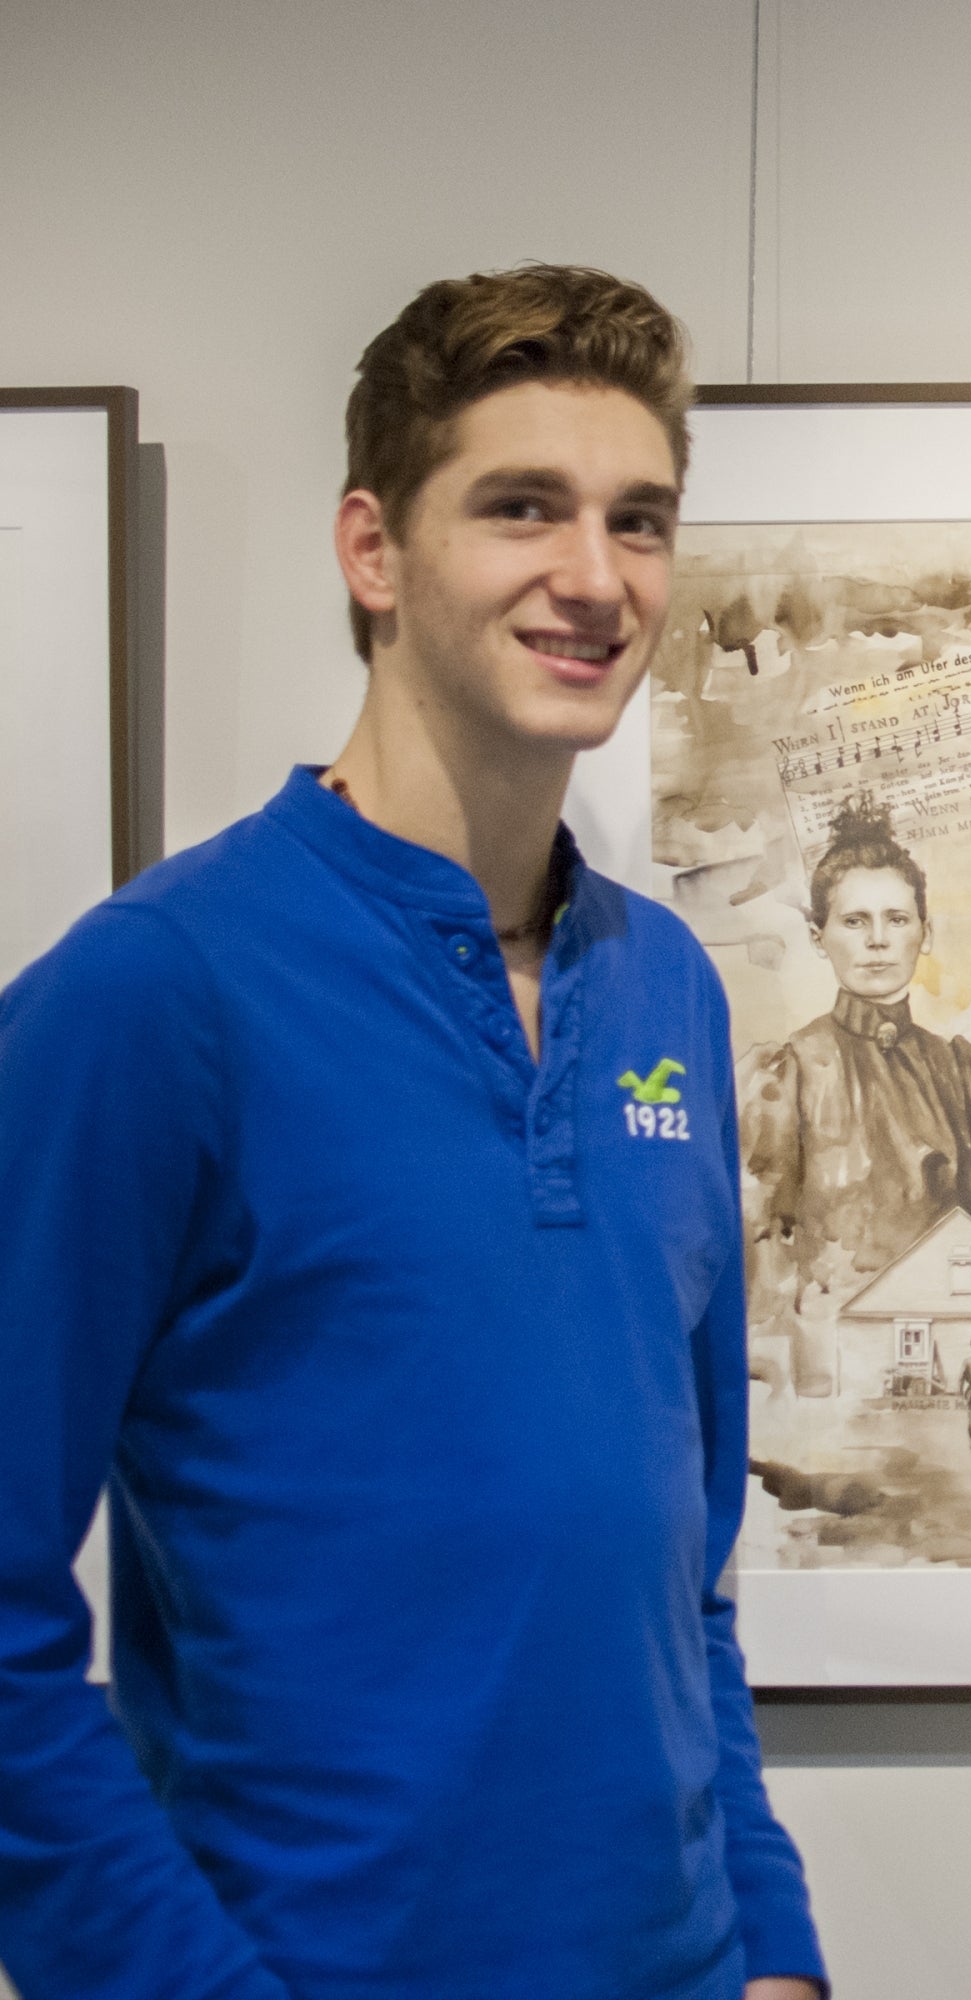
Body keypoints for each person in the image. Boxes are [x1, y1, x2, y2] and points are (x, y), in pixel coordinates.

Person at [0, 267, 825, 1995]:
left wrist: (772, 1942)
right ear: (372, 551)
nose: (594, 578)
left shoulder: (668, 988)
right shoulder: (158, 996)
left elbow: (687, 1571)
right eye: (521, 507)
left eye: (639, 520)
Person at [740, 798, 971, 1395]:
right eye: (854, 922)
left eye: (898, 919)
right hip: (828, 1358)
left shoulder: (964, 1075)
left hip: (946, 1345)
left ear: (926, 932)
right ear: (818, 936)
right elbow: (760, 1237)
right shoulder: (789, 1071)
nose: (878, 942)